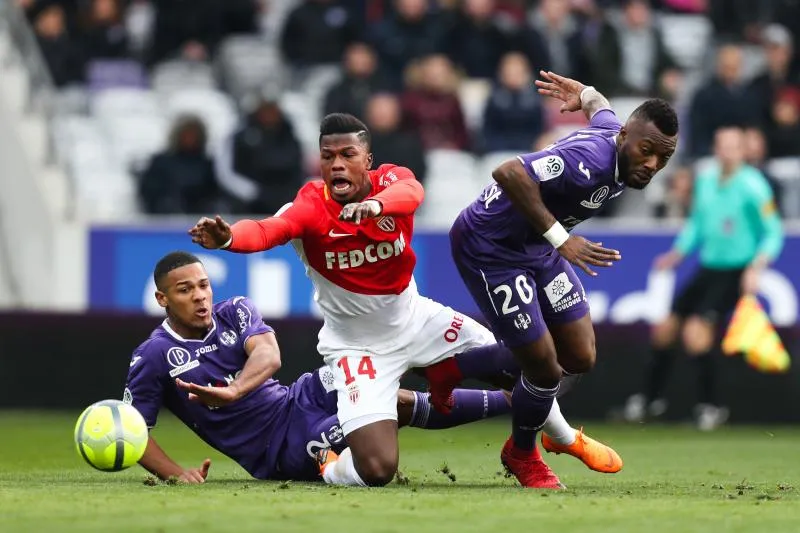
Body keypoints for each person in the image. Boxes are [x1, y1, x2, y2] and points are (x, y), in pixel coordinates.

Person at [189, 113, 620, 487]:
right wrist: (228, 238)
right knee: (377, 470)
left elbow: (412, 193)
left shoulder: (392, 181)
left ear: (367, 160)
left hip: (417, 319)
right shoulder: (309, 207)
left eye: (347, 155)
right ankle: (330, 465)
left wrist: (376, 207)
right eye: (328, 156)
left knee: (535, 363)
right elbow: (265, 230)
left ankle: (562, 437)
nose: (337, 164)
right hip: (359, 348)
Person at [429, 70, 678, 488]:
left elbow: (600, 108)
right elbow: (509, 172)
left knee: (578, 357)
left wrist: (587, 92)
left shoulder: (616, 135)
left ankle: (452, 368)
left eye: (663, 158)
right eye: (647, 150)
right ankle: (522, 453)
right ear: (624, 136)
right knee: (544, 369)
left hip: (537, 247)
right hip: (491, 246)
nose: (652, 164)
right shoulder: (591, 160)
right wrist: (562, 239)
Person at [126, 251, 513, 483]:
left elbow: (269, 355)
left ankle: (514, 397)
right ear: (162, 298)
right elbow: (133, 431)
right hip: (279, 448)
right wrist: (176, 474)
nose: (200, 296)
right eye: (185, 290)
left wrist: (234, 390)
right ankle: (510, 402)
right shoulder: (154, 356)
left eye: (203, 285)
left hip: (298, 397)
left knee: (384, 383)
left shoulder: (235, 311)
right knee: (390, 408)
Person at [622, 126, 784, 431]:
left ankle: (712, 407)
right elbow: (697, 223)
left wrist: (756, 266)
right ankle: (650, 401)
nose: (727, 152)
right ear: (715, 148)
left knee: (696, 334)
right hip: (708, 267)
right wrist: (677, 254)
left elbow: (773, 231)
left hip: (735, 270)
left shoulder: (754, 186)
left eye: (733, 146)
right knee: (665, 330)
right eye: (722, 146)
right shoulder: (707, 179)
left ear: (742, 150)